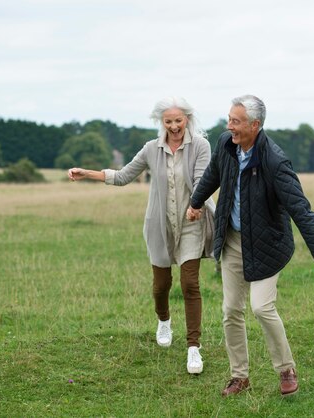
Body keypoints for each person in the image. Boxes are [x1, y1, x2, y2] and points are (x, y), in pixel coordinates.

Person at [186, 94, 314, 396]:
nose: (229, 125)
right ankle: (239, 376)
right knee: (231, 309)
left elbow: (302, 211)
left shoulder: (274, 161)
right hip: (232, 240)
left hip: (268, 244)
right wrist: (195, 202)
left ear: (255, 125)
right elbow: (213, 174)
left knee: (261, 307)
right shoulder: (226, 144)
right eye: (229, 118)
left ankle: (286, 369)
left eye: (236, 121)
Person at [69, 97, 215, 375]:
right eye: (168, 121)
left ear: (187, 119)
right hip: (159, 224)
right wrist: (87, 173)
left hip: (191, 222)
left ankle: (193, 348)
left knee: (190, 284)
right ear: (162, 123)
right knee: (161, 285)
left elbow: (201, 180)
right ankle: (164, 320)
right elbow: (124, 176)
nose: (174, 127)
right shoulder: (152, 149)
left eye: (178, 121)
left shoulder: (201, 146)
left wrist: (196, 206)